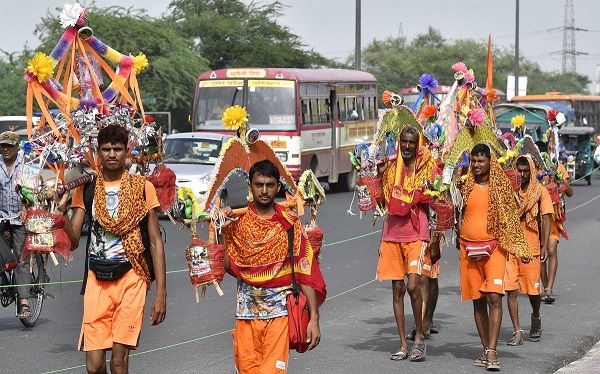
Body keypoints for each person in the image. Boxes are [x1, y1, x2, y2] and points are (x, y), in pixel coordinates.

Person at [60, 125, 167, 374]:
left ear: (126, 151)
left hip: (132, 277)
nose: (111, 154)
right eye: (106, 149)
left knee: (119, 362)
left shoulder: (143, 188)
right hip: (97, 280)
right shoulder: (86, 188)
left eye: (117, 149)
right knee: (94, 366)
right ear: (98, 152)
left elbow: (154, 241)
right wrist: (60, 213)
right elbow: (74, 239)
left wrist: (161, 292)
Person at [220, 159, 326, 374]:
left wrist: (314, 318)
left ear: (278, 187)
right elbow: (226, 265)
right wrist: (223, 232)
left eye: (270, 185)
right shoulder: (238, 223)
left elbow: (305, 272)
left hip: (279, 316)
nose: (265, 191)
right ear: (250, 186)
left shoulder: (290, 224)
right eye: (259, 184)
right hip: (246, 316)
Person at [457, 143, 531, 371]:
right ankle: (487, 349)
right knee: (478, 301)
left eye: (481, 161)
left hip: (495, 250)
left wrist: (522, 249)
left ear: (490, 162)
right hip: (468, 251)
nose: (477, 165)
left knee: (493, 298)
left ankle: (491, 352)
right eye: (474, 161)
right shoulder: (463, 185)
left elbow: (510, 219)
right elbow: (452, 211)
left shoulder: (501, 187)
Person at [376, 125, 438, 362]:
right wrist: (380, 175)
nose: (408, 146)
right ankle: (403, 343)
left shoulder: (426, 167)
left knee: (413, 285)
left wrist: (419, 194)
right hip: (392, 234)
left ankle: (419, 337)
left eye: (412, 142)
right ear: (399, 143)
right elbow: (382, 199)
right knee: (397, 289)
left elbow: (434, 195)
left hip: (416, 233)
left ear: (418, 144)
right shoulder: (391, 167)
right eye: (405, 142)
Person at [505, 155, 552, 346]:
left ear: (531, 171)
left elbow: (547, 218)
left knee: (533, 292)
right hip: (510, 247)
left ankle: (536, 316)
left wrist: (545, 245)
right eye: (519, 171)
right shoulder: (508, 190)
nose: (522, 175)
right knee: (510, 290)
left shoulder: (540, 192)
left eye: (525, 171)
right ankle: (517, 331)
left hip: (531, 248)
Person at [535, 140, 573, 303]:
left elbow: (570, 192)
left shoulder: (557, 168)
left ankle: (549, 288)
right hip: (536, 220)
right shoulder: (532, 171)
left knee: (551, 250)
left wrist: (560, 181)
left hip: (554, 218)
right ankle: (545, 288)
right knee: (540, 256)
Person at [0, 131, 31, 319]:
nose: (5, 149)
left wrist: (26, 206)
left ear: (17, 147)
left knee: (22, 258)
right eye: (3, 146)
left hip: (20, 217)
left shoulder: (25, 166)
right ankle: (4, 275)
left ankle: (24, 301)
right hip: (2, 216)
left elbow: (32, 190)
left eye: (9, 146)